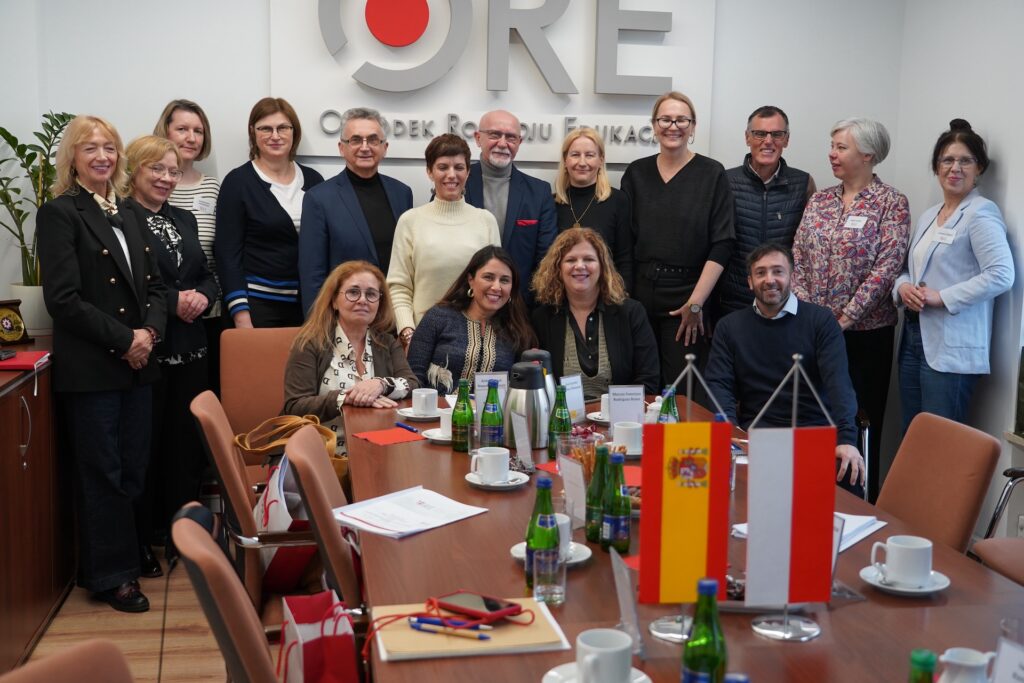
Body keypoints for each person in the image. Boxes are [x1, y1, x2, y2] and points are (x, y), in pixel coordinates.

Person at [37, 115, 167, 612]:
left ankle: (125, 556)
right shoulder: (60, 213)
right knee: (103, 474)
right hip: (94, 367)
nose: (102, 156)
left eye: (109, 147)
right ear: (72, 157)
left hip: (138, 363)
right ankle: (111, 577)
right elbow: (63, 299)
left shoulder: (128, 211)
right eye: (89, 147)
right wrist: (125, 340)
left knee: (134, 468)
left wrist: (149, 334)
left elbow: (156, 287)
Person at [792, 117, 909, 499]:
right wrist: (813, 317)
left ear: (868, 154)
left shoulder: (891, 203)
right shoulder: (820, 200)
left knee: (860, 422)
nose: (832, 154)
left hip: (866, 336)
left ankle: (859, 508)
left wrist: (844, 318)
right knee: (814, 417)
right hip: (814, 333)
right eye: (833, 145)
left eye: (841, 147)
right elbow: (798, 257)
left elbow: (887, 268)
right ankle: (810, 499)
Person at [124, 136, 217, 571]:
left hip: (193, 349)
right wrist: (175, 300)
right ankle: (142, 540)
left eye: (173, 171)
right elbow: (127, 285)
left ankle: (182, 535)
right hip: (150, 350)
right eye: (156, 169)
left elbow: (206, 273)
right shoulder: (121, 217)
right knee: (144, 450)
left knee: (185, 447)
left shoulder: (184, 218)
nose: (165, 178)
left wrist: (203, 295)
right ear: (134, 170)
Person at [706, 243, 865, 495]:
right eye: (760, 273)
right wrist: (731, 433)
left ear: (791, 276)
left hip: (814, 433)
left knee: (846, 471)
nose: (770, 280)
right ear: (750, 282)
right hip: (757, 436)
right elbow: (719, 385)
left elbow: (839, 385)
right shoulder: (729, 327)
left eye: (777, 271)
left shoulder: (821, 321)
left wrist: (846, 439)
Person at [894, 119, 1014, 431]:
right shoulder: (929, 215)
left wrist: (942, 297)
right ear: (937, 167)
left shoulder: (981, 213)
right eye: (947, 160)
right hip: (913, 338)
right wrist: (903, 288)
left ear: (979, 168)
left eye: (965, 161)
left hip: (952, 348)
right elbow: (907, 269)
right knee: (913, 435)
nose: (955, 168)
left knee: (941, 441)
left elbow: (1002, 273)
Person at [621, 91, 735, 391]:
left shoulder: (712, 173)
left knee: (682, 390)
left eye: (682, 120)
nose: (673, 126)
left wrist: (696, 303)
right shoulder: (636, 172)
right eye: (666, 119)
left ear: (693, 126)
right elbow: (626, 242)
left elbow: (723, 243)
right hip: (640, 296)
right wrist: (626, 301)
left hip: (687, 299)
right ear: (654, 125)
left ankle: (682, 431)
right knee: (640, 383)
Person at [283, 261, 417, 452]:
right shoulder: (310, 343)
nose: (362, 300)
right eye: (353, 292)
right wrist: (346, 397)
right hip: (321, 454)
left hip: (377, 448)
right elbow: (295, 406)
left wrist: (381, 384)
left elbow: (412, 384)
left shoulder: (386, 342)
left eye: (371, 294)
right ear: (334, 301)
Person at [215, 97, 323, 328]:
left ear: (294, 132)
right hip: (256, 307)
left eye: (283, 128)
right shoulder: (238, 182)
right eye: (265, 128)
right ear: (252, 132)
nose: (275, 136)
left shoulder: (314, 180)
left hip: (308, 306)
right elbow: (227, 254)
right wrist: (241, 314)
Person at [387, 134, 501, 347]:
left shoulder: (485, 221)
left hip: (476, 342)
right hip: (421, 341)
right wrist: (408, 334)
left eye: (459, 167)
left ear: (468, 172)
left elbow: (495, 286)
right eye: (442, 167)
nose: (451, 175)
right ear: (429, 171)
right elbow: (399, 287)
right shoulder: (410, 221)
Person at [299, 107, 413, 314]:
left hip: (392, 315)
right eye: (356, 140)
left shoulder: (402, 194)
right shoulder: (319, 198)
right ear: (342, 148)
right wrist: (318, 323)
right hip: (344, 317)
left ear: (385, 147)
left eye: (373, 140)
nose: (365, 147)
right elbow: (312, 273)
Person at [530, 228, 658, 399]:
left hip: (620, 413)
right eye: (570, 260)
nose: (580, 266)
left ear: (602, 267)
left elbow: (648, 380)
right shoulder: (542, 318)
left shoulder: (631, 313)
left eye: (589, 259)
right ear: (557, 268)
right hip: (563, 414)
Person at [154, 99, 223, 393]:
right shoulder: (148, 187)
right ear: (165, 131)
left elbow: (217, 253)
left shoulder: (212, 187)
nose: (191, 138)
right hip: (159, 311)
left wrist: (203, 297)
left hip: (207, 310)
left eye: (198, 130)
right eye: (182, 129)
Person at [720, 105, 815, 314]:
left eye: (777, 134)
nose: (768, 141)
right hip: (732, 301)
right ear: (747, 137)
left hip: (783, 302)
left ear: (786, 139)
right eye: (760, 134)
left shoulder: (803, 183)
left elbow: (809, 248)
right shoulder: (725, 181)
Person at [407, 245, 536, 393]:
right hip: (435, 407)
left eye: (505, 280)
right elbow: (413, 377)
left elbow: (521, 389)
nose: (496, 287)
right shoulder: (438, 317)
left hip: (493, 408)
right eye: (488, 277)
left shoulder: (517, 329)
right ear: (471, 280)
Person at [465, 109, 557, 300]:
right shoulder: (456, 184)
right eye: (494, 135)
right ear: (478, 138)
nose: (502, 143)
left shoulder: (539, 193)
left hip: (519, 304)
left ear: (519, 143)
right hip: (466, 302)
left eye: (511, 137)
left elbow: (546, 259)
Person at [553, 128, 633, 289]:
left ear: (601, 160)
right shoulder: (551, 203)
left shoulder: (619, 201)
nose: (582, 162)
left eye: (589, 155)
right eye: (575, 155)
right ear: (565, 160)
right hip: (560, 294)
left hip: (606, 294)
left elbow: (625, 259)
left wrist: (621, 296)